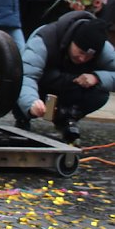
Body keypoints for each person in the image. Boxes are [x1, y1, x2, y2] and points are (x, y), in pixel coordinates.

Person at [15, 12, 115, 142]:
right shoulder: (44, 39)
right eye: (80, 52)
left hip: (70, 84)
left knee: (100, 93)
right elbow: (26, 76)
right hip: (41, 84)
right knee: (13, 81)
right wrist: (31, 102)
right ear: (71, 40)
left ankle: (67, 118)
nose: (82, 58)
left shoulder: (102, 48)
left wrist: (98, 77)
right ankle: (22, 117)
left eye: (89, 56)